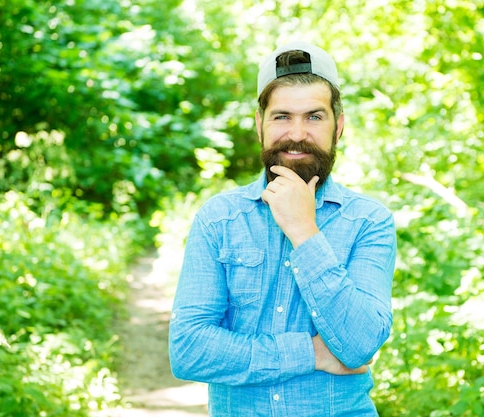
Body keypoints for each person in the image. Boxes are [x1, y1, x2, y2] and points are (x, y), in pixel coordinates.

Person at [169, 40, 397, 416]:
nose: (296, 133)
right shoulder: (219, 219)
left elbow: (360, 345)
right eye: (281, 117)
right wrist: (312, 353)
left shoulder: (369, 221)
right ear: (259, 124)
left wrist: (304, 231)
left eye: (314, 117)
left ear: (339, 126)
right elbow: (189, 350)